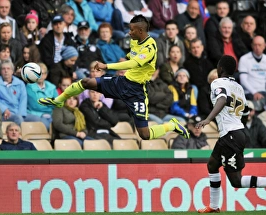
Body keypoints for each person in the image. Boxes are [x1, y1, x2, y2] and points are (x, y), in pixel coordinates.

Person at [38, 14, 190, 140]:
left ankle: (172, 125)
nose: (130, 33)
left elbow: (132, 63)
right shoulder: (135, 42)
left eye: (132, 30)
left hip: (137, 92)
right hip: (122, 82)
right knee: (86, 81)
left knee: (144, 134)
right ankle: (58, 101)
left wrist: (107, 66)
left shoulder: (150, 47)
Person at [195, 55, 266, 213]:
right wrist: (238, 128)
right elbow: (245, 111)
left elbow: (222, 99)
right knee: (212, 164)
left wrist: (208, 118)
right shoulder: (238, 87)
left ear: (220, 69)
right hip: (235, 132)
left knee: (236, 181)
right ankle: (214, 206)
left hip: (231, 134)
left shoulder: (217, 82)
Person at [25, 63, 58, 131]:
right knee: (46, 125)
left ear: (46, 75)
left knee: (59, 124)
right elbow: (36, 105)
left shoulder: (52, 87)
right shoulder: (29, 86)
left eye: (42, 73)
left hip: (51, 115)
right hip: (34, 114)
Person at [0, 59, 27, 126]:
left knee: (37, 119)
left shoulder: (20, 83)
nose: (6, 71)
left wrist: (21, 114)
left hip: (19, 113)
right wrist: (4, 109)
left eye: (8, 68)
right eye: (3, 69)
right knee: (18, 119)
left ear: (12, 71)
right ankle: (20, 136)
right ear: (0, 71)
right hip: (4, 114)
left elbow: (23, 100)